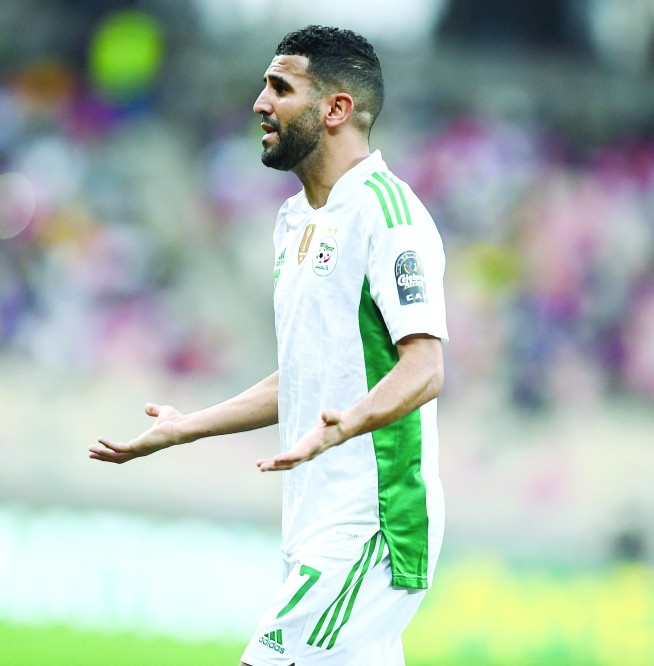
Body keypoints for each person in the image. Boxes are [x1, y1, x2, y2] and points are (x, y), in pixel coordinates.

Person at [90, 25, 447, 666]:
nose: (259, 102)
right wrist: (185, 428)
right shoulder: (295, 222)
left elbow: (425, 367)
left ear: (335, 109)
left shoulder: (389, 216)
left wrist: (344, 428)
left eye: (279, 87)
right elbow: (305, 375)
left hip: (372, 521)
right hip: (313, 520)